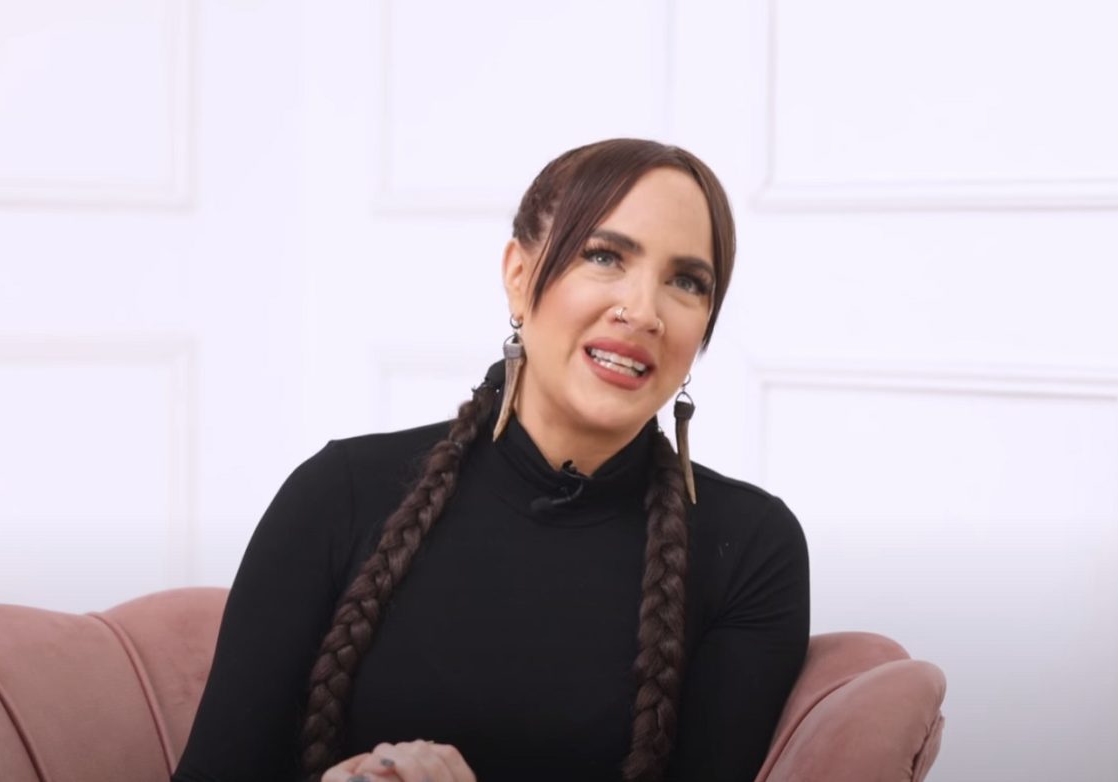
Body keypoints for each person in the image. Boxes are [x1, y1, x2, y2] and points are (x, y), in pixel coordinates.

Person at [171, 138, 811, 782]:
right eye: (604, 256)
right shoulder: (340, 493)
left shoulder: (751, 549)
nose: (644, 312)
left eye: (686, 282)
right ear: (519, 276)